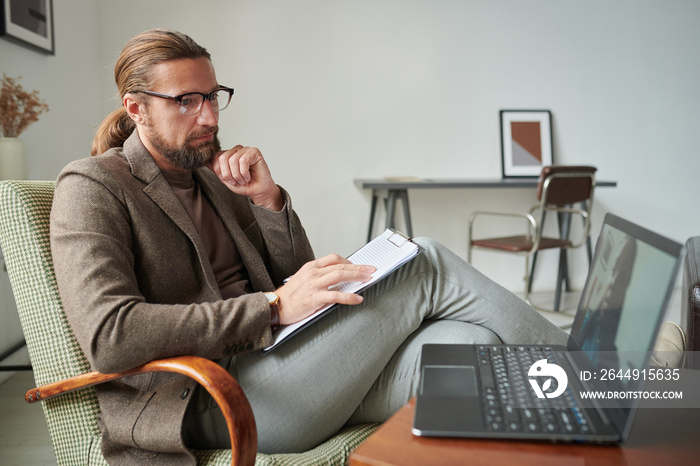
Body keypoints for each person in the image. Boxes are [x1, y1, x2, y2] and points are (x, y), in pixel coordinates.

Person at [50, 29, 567, 465]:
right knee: (424, 259)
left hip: (286, 364)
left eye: (212, 96)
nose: (208, 117)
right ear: (136, 109)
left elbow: (299, 278)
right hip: (211, 398)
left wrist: (268, 201)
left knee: (467, 346)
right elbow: (112, 336)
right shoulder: (92, 187)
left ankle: (576, 433)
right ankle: (596, 385)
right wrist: (272, 307)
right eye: (186, 101)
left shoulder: (210, 177)